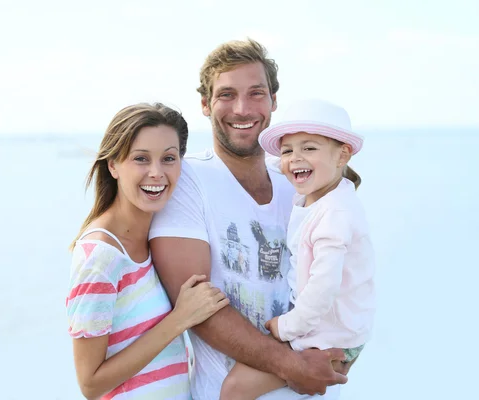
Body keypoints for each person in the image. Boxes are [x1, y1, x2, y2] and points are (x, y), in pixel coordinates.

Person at [149, 39, 351, 400]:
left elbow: (341, 275)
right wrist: (292, 367)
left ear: (274, 101)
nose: (242, 109)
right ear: (205, 105)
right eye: (226, 94)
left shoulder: (299, 183)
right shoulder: (188, 182)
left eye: (256, 93)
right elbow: (196, 305)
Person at [65, 103, 229, 400]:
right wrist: (179, 320)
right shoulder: (101, 257)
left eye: (169, 158)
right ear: (113, 165)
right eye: (141, 159)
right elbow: (90, 384)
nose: (157, 173)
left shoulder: (156, 239)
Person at [219, 99, 376, 400]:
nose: (295, 159)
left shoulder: (334, 215)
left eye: (310, 148)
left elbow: (323, 288)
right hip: (338, 329)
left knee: (234, 389)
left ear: (343, 154)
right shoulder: (321, 197)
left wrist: (286, 327)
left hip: (329, 335)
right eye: (288, 151)